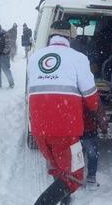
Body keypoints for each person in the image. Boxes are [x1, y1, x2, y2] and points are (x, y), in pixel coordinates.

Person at [27, 21, 107, 205]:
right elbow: (91, 96)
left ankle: (65, 201)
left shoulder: (35, 57)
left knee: (57, 168)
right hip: (65, 128)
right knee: (74, 176)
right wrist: (99, 116)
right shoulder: (78, 58)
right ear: (69, 37)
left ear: (51, 36)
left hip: (39, 128)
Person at [82, 105, 108, 191]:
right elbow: (99, 112)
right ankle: (91, 179)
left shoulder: (72, 94)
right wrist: (104, 127)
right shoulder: (91, 94)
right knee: (92, 156)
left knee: (76, 156)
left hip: (75, 131)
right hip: (89, 131)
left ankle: (75, 178)